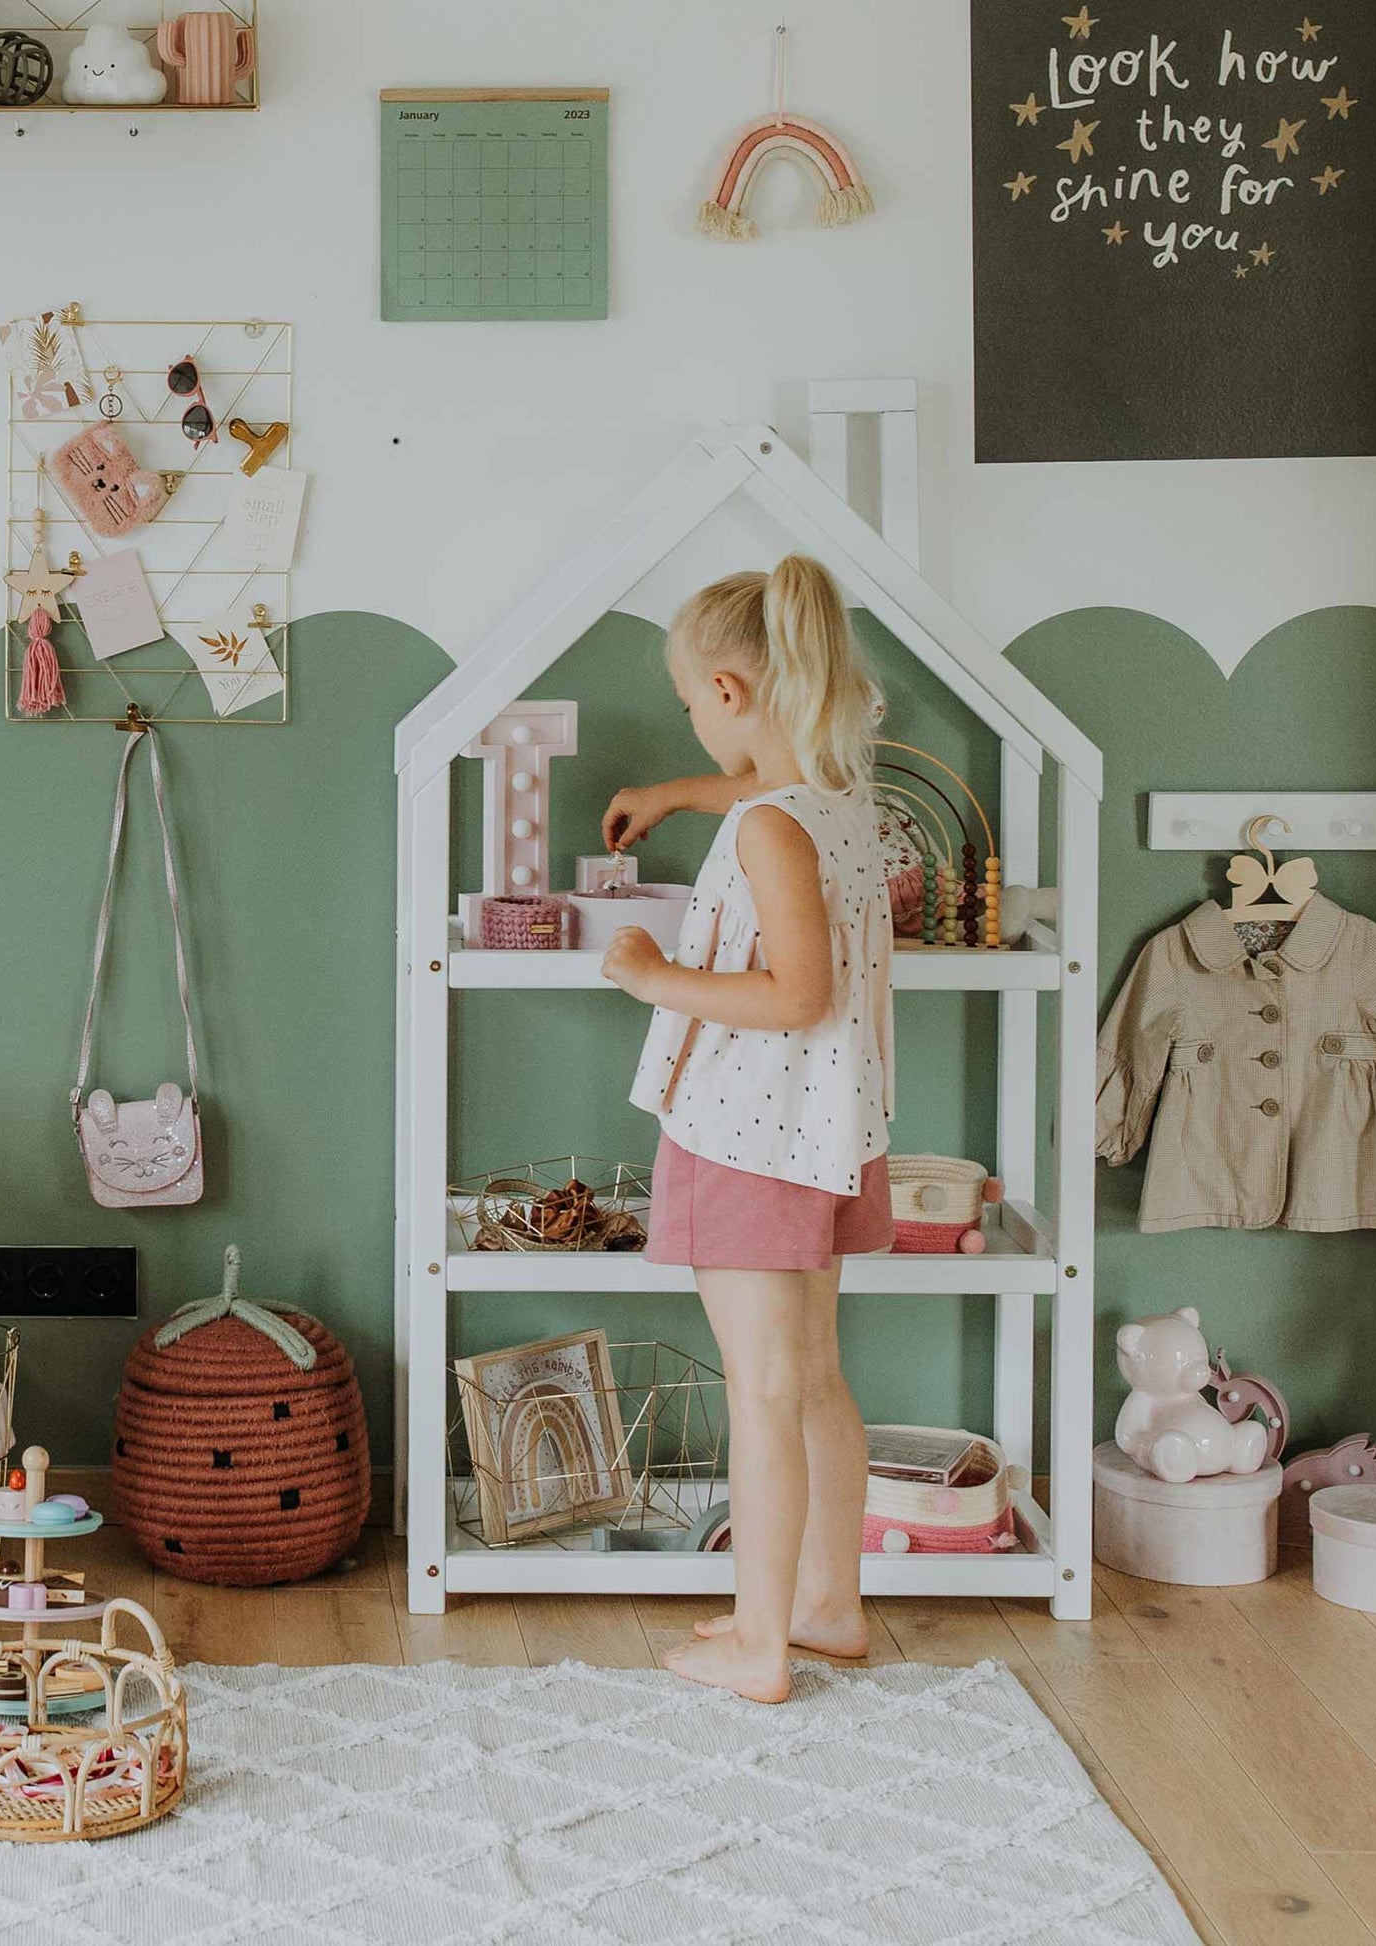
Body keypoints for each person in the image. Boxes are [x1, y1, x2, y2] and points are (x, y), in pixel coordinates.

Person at [600, 554, 894, 1703]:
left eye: (691, 705)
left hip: (748, 1138)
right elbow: (760, 796)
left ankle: (760, 1645)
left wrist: (652, 974)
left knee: (761, 1390)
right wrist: (679, 792)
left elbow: (795, 995)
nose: (692, 724)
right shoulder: (835, 797)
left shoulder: (774, 829)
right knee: (814, 1377)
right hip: (823, 1135)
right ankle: (828, 1602)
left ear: (728, 692)